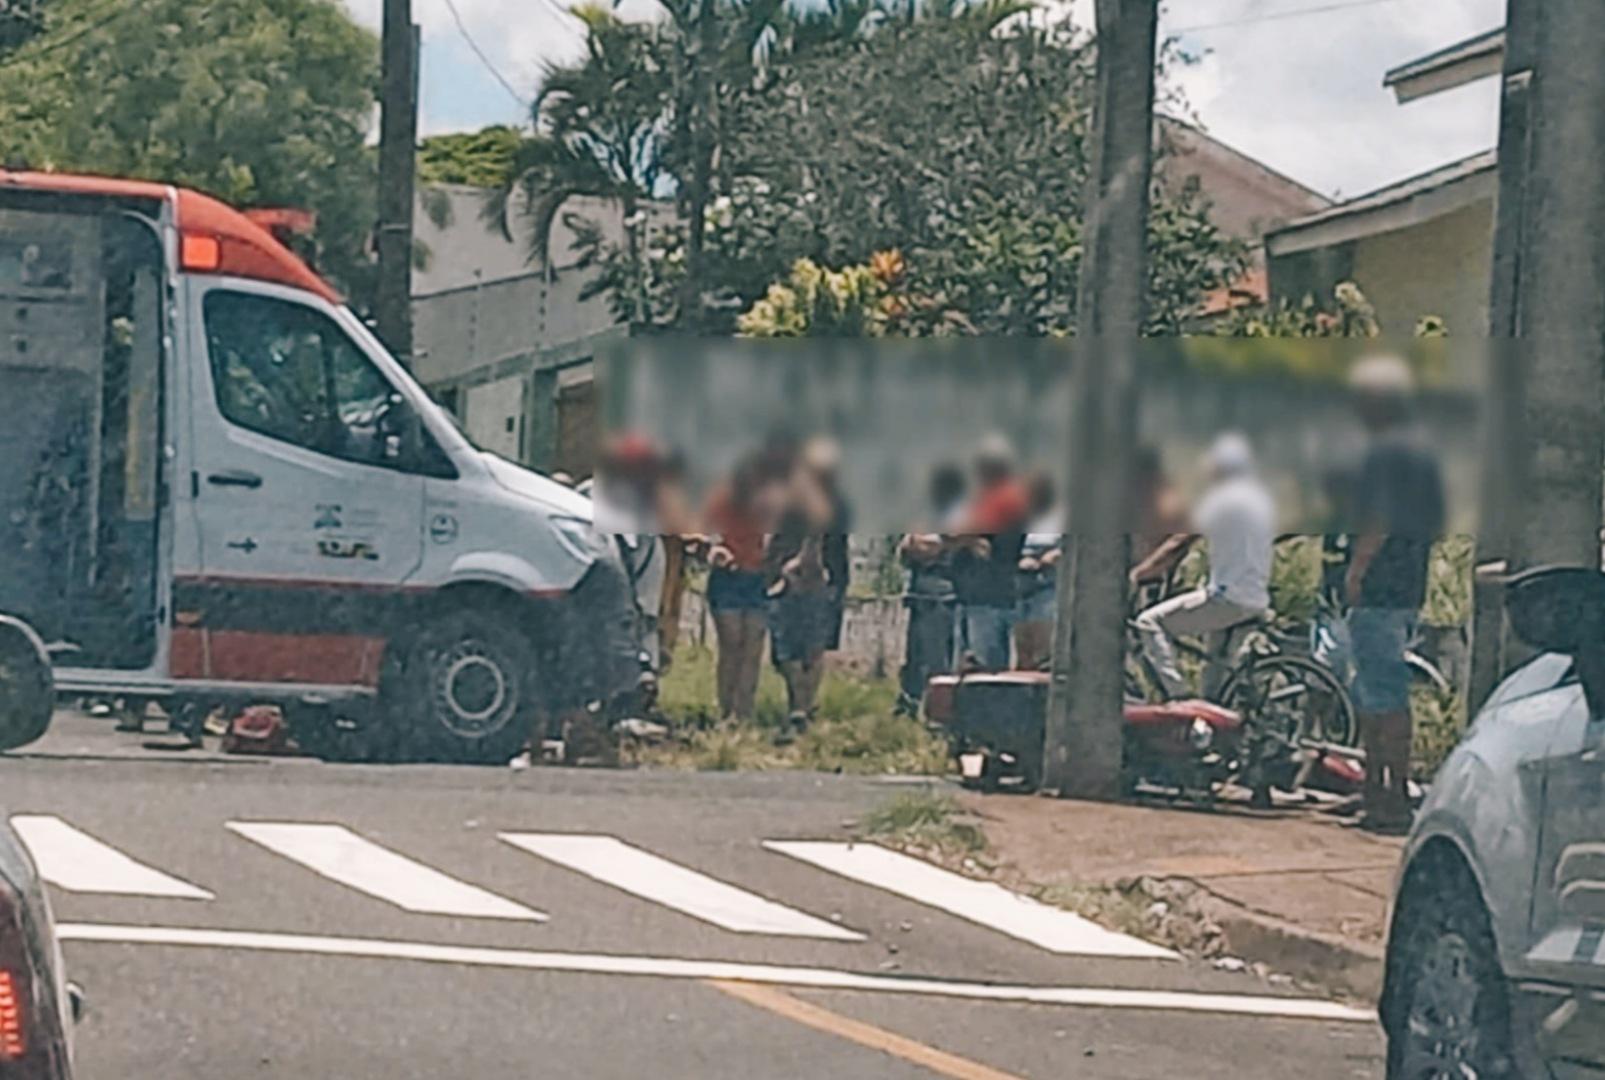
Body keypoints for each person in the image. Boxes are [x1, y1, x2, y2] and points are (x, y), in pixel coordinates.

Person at [1344, 355, 1443, 834]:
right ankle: (1377, 788)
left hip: (1381, 587)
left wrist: (1358, 570)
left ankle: (1389, 796)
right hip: (1407, 585)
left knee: (1381, 692)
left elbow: (1376, 520)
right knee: (1373, 690)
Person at [1131, 433, 1274, 701]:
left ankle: (1179, 697)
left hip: (1227, 597)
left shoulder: (1221, 502)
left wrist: (1140, 573)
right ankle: (1211, 723)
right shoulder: (1260, 503)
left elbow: (1180, 541)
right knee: (1216, 684)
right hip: (1254, 598)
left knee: (1148, 623)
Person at [764, 438, 850, 736]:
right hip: (785, 580)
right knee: (788, 652)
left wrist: (804, 562)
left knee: (810, 650)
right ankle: (800, 707)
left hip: (817, 582)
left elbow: (824, 540)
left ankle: (801, 710)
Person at [947, 436, 1031, 671]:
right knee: (963, 671)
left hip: (989, 597)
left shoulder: (1005, 498)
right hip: (969, 595)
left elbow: (958, 531)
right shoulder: (984, 497)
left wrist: (966, 537)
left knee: (985, 671)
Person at [704, 455, 777, 723]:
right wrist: (714, 549)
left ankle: (744, 713)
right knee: (731, 644)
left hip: (759, 576)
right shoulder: (722, 499)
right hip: (729, 576)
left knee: (753, 646)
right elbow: (707, 531)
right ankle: (725, 711)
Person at [897, 465, 966, 714]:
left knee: (939, 660)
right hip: (919, 594)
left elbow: (941, 544)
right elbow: (906, 547)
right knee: (914, 657)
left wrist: (930, 544)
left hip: (945, 595)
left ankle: (940, 715)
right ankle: (908, 703)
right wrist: (920, 544)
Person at [1013, 472, 1061, 670]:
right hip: (1019, 586)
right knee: (1022, 647)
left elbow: (1072, 548)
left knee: (1043, 646)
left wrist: (1051, 557)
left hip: (1047, 586)